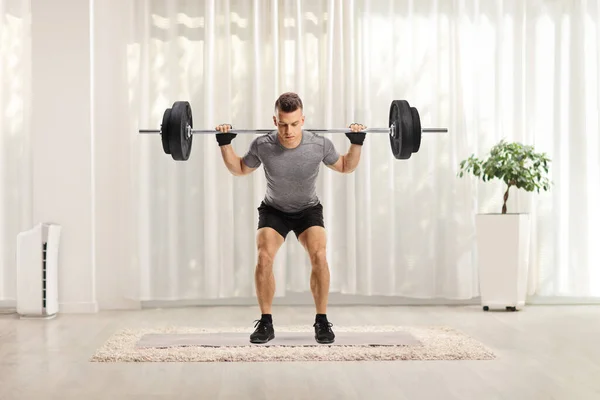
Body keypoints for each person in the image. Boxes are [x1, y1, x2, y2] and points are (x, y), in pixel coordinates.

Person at [215, 92, 366, 344]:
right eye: (283, 124)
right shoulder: (263, 145)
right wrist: (224, 143)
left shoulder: (319, 144)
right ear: (275, 121)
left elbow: (344, 166)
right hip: (274, 210)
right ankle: (266, 322)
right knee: (264, 257)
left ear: (303, 120)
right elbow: (240, 169)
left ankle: (321, 321)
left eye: (294, 124)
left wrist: (357, 141)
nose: (288, 131)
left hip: (308, 210)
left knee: (319, 255)